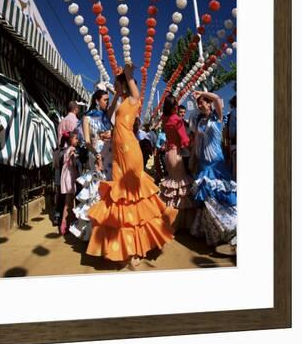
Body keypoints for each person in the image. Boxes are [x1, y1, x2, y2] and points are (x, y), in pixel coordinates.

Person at [86, 64, 177, 269]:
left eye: (118, 84)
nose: (116, 87)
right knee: (120, 198)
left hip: (130, 152)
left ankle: (137, 248)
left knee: (134, 197)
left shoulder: (133, 100)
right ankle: (123, 245)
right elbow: (108, 116)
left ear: (125, 85)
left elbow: (133, 88)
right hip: (118, 155)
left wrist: (127, 73)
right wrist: (116, 94)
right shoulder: (120, 102)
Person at [190, 91, 237, 247]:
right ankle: (213, 233)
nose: (200, 105)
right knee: (207, 200)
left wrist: (202, 93)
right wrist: (194, 157)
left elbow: (217, 98)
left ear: (209, 103)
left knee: (218, 198)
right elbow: (197, 141)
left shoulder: (217, 116)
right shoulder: (200, 120)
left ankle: (230, 228)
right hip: (204, 163)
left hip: (216, 164)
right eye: (198, 103)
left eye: (203, 102)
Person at [69, 89, 115, 241]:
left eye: (108, 100)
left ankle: (108, 230)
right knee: (97, 192)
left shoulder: (106, 116)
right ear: (97, 100)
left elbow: (115, 105)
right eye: (105, 100)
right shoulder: (87, 118)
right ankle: (95, 234)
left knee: (109, 192)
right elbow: (87, 141)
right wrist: (96, 155)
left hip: (109, 156)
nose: (107, 102)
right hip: (96, 156)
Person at [160, 95, 195, 231]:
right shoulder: (176, 120)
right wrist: (194, 141)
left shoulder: (164, 118)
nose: (177, 107)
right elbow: (185, 140)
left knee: (172, 186)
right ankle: (178, 221)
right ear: (174, 106)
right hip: (176, 154)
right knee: (179, 186)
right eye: (176, 105)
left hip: (168, 153)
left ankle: (170, 217)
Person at [53, 101, 80, 226]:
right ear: (75, 109)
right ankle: (69, 219)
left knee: (60, 187)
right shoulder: (75, 121)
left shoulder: (61, 121)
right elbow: (75, 138)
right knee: (70, 190)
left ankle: (57, 216)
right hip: (70, 155)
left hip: (60, 154)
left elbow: (59, 139)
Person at [59, 131, 79, 235]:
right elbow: (72, 161)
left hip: (67, 176)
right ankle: (65, 224)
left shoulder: (65, 149)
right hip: (70, 178)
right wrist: (76, 157)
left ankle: (68, 223)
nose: (77, 140)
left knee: (69, 201)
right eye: (76, 138)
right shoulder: (72, 149)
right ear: (71, 140)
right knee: (69, 202)